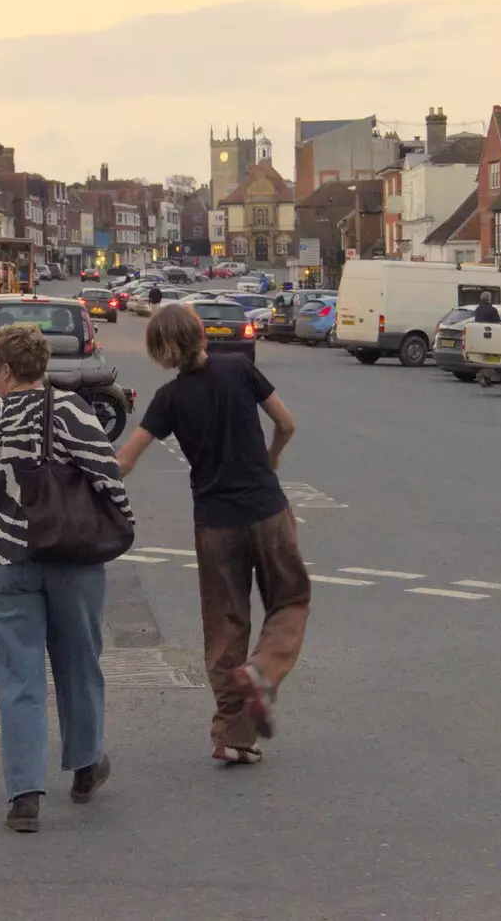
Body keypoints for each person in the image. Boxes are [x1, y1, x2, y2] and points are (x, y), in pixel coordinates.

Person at [0, 324, 131, 833]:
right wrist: (117, 526)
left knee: (18, 677)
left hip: (7, 559)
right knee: (80, 663)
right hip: (75, 561)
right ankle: (85, 767)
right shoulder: (76, 411)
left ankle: (24, 795)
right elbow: (108, 477)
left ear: (6, 369)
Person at [117, 304, 309, 766]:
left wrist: (85, 488)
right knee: (289, 599)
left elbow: (126, 458)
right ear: (200, 333)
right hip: (266, 509)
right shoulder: (240, 368)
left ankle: (231, 735)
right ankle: (262, 671)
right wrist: (273, 457)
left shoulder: (168, 398)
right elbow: (287, 423)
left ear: (159, 349)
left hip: (214, 522)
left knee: (225, 624)